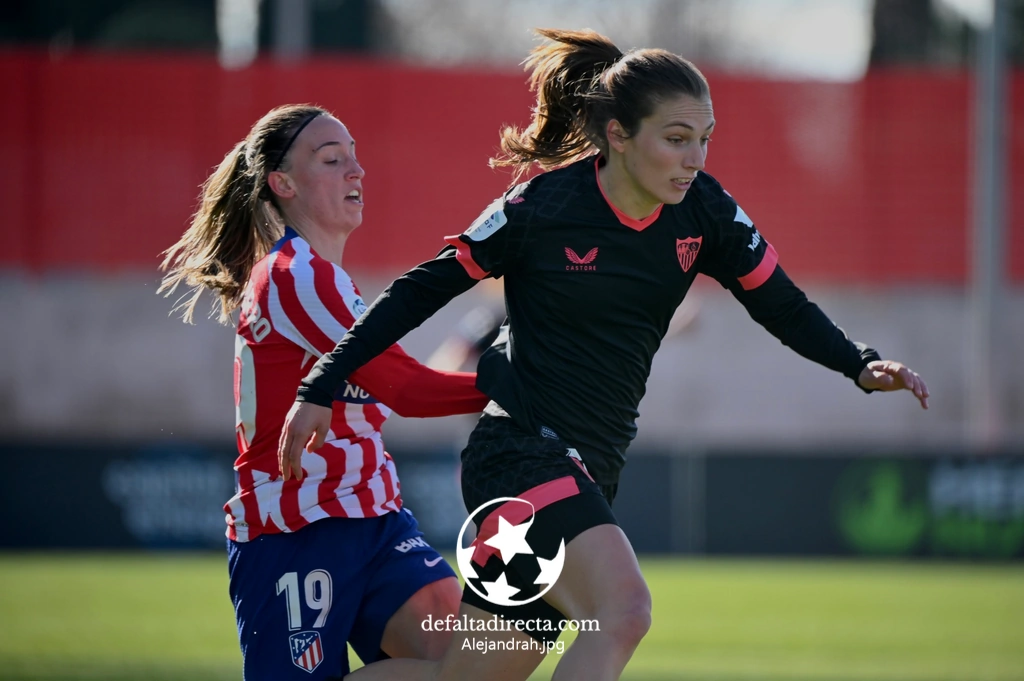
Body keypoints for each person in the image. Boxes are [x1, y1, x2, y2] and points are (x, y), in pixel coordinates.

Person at [278, 29, 931, 681]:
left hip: (590, 464)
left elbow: (782, 304)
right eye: (676, 138)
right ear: (618, 135)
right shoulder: (541, 207)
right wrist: (323, 384)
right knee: (624, 611)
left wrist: (857, 362)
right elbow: (417, 291)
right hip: (519, 453)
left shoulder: (706, 212)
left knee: (468, 677)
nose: (694, 158)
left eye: (704, 139)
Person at [159, 104, 491, 680]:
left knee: (474, 662)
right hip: (297, 532)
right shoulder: (294, 276)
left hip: (374, 517)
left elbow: (390, 396)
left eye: (356, 158)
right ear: (282, 184)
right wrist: (535, 388)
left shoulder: (326, 279)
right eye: (333, 159)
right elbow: (409, 389)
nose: (356, 171)